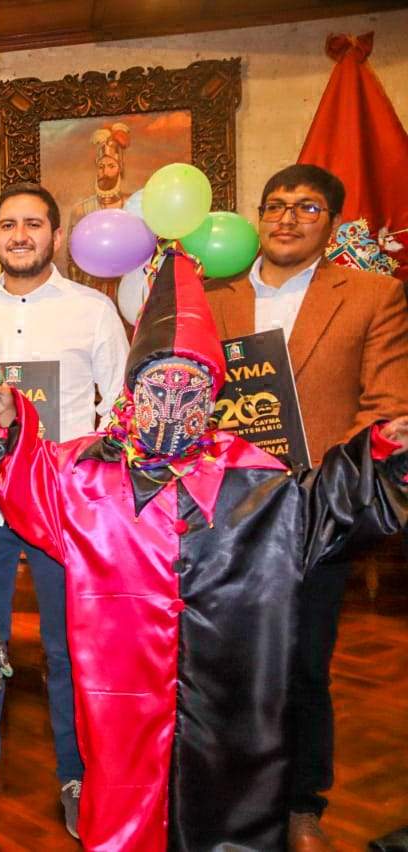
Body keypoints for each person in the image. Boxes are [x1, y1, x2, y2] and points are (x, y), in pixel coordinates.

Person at [0, 248, 408, 850]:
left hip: (229, 689)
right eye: (158, 384)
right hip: (121, 688)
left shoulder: (253, 475)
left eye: (189, 385)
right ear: (133, 391)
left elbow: (328, 504)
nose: (172, 401)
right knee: (123, 786)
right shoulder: (86, 476)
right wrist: (9, 425)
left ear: (212, 395)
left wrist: (383, 452)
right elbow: (25, 479)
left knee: (227, 791)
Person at [203, 163, 408, 851]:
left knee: (302, 667)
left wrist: (318, 484)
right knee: (217, 665)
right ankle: (224, 797)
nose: (287, 218)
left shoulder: (373, 295)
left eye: (307, 207)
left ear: (333, 223)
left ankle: (300, 805)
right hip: (220, 516)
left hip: (315, 513)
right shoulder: (212, 297)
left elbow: (386, 406)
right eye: (275, 205)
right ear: (257, 217)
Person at [0, 183, 128, 836]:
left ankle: (76, 773)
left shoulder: (93, 311)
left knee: (69, 647)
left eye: (33, 224)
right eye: (8, 224)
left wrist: (84, 470)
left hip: (63, 512)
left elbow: (121, 403)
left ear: (56, 237)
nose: (19, 235)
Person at [64, 122, 130, 285]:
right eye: (101, 166)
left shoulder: (131, 205)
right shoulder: (81, 210)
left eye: (111, 166)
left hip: (125, 286)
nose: (105, 172)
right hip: (90, 287)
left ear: (120, 168)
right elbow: (72, 257)